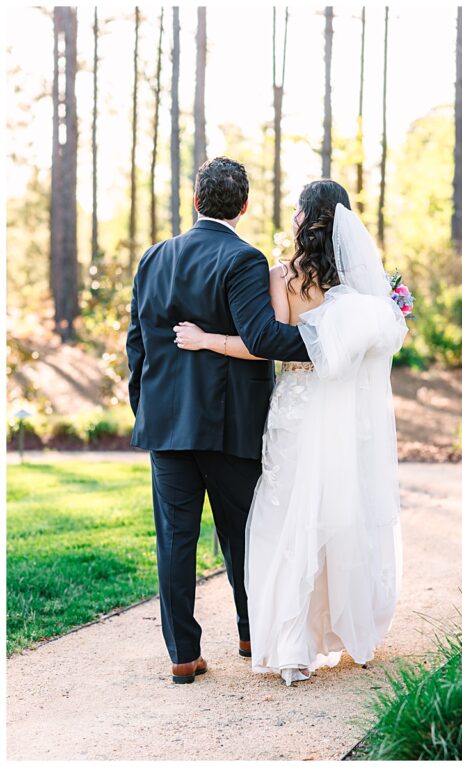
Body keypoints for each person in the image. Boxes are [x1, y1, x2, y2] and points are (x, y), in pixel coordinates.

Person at [173, 179, 407, 685]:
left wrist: (204, 338)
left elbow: (266, 343)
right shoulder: (365, 280)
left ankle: (292, 645)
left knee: (287, 516)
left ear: (309, 218)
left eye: (298, 210)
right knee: (343, 509)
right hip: (342, 409)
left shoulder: (286, 274)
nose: (294, 216)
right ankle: (355, 634)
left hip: (299, 405)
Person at [127, 157, 311, 684]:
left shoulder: (154, 258)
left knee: (174, 540)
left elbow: (136, 343)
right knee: (243, 534)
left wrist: (146, 406)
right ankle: (251, 633)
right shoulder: (244, 259)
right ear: (246, 205)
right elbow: (262, 337)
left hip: (167, 424)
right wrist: (334, 337)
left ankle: (183, 654)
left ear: (195, 200)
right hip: (230, 426)